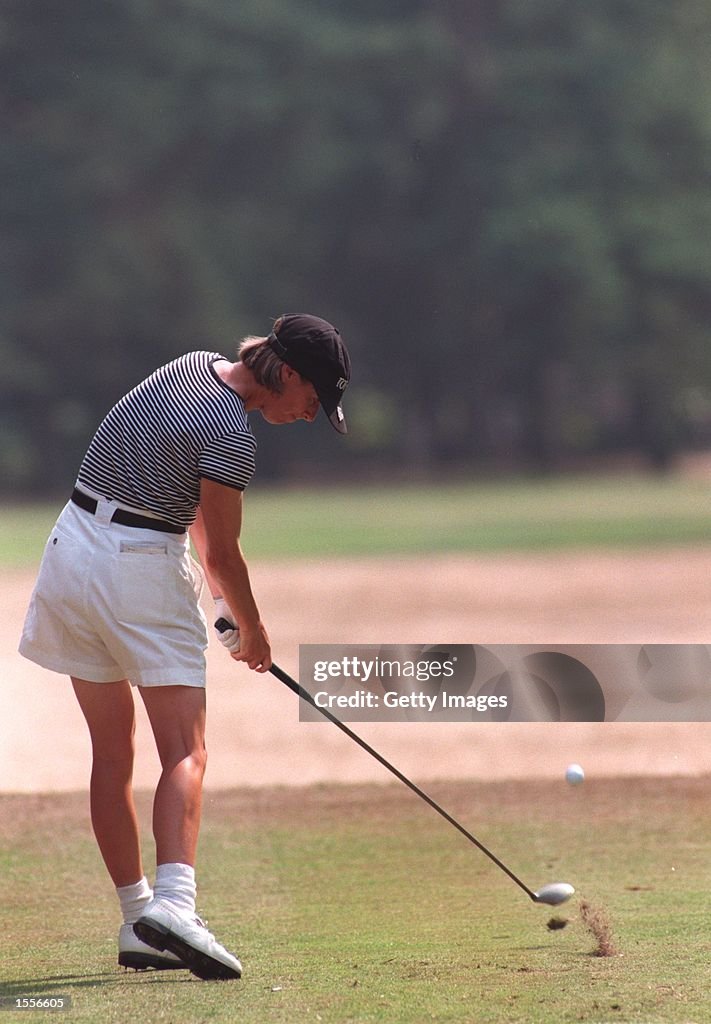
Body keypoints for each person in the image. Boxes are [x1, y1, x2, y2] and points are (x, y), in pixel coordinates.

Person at [19, 314, 351, 981]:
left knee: (112, 754)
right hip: (138, 565)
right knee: (186, 750)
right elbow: (223, 552)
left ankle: (136, 916)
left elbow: (195, 518)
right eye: (313, 401)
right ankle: (174, 904)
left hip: (69, 549)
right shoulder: (232, 436)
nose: (311, 416)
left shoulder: (188, 365)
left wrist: (228, 615)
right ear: (286, 375)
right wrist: (253, 631)